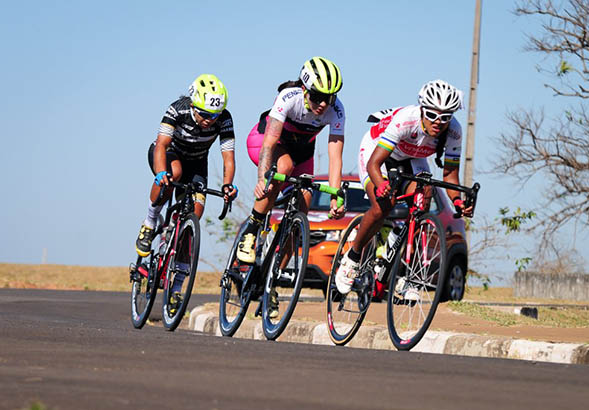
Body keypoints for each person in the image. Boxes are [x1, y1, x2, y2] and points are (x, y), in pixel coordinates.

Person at [334, 79, 473, 298]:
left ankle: (402, 270)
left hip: (412, 157)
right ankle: (352, 257)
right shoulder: (406, 120)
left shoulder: (454, 131)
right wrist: (381, 186)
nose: (438, 122)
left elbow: (450, 175)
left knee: (424, 196)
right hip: (377, 152)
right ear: (422, 110)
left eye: (445, 117)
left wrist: (458, 201)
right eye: (432, 115)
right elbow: (374, 164)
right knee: (383, 206)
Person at [237, 56, 347, 317]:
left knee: (302, 212)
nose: (323, 104)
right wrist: (263, 178)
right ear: (306, 90)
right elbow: (270, 143)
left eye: (329, 98)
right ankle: (252, 229)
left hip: (302, 153)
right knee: (283, 169)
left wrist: (335, 195)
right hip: (265, 142)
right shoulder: (289, 97)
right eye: (318, 96)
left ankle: (270, 284)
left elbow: (335, 157)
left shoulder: (337, 109)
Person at [135, 74, 238, 304]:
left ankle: (177, 287)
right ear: (193, 105)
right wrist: (161, 174)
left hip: (197, 162)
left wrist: (227, 185)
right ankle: (150, 221)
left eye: (215, 115)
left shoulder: (225, 118)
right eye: (204, 114)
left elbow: (228, 157)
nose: (210, 120)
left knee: (194, 219)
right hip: (169, 154)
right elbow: (161, 144)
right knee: (175, 174)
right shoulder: (177, 109)